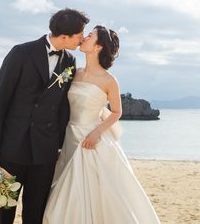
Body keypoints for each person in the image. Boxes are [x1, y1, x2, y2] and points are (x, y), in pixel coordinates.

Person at [0, 8, 90, 224]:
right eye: (79, 35)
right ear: (65, 36)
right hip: (11, 147)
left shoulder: (69, 61)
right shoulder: (21, 53)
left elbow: (62, 107)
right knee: (2, 210)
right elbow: (0, 99)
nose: (82, 39)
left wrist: (59, 147)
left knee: (36, 212)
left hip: (45, 151)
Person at [43, 25, 161, 224]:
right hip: (70, 137)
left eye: (90, 35)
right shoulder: (74, 73)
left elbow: (116, 112)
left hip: (91, 140)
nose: (84, 37)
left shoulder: (109, 80)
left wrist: (97, 133)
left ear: (98, 47)